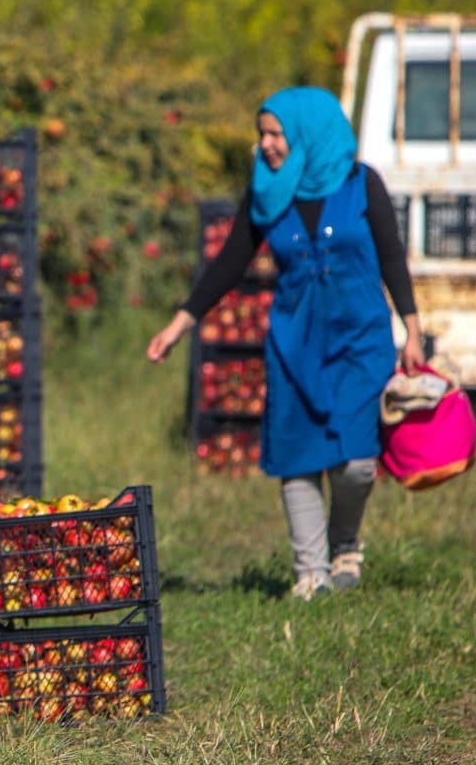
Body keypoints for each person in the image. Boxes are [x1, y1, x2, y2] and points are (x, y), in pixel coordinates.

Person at [147, 86, 423, 600]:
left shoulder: (362, 184)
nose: (267, 145)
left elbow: (391, 258)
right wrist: (180, 323)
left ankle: (345, 541)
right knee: (297, 457)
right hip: (295, 342)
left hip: (361, 339)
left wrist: (412, 329)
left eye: (277, 134)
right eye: (263, 134)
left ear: (307, 132)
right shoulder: (267, 193)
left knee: (356, 460)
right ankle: (311, 572)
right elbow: (230, 263)